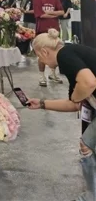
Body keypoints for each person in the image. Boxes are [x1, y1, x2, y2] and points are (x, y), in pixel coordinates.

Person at [28, 29, 96, 201]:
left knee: (87, 145)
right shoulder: (71, 58)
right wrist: (42, 103)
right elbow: (74, 104)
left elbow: (89, 83)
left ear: (45, 52)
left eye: (39, 56)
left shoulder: (64, 55)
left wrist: (77, 96)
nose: (41, 62)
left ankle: (91, 196)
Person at [34, 0, 65, 87]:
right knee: (42, 54)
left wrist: (50, 13)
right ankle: (42, 76)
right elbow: (40, 15)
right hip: (42, 30)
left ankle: (53, 74)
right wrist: (54, 14)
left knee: (55, 52)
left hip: (55, 30)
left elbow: (62, 12)